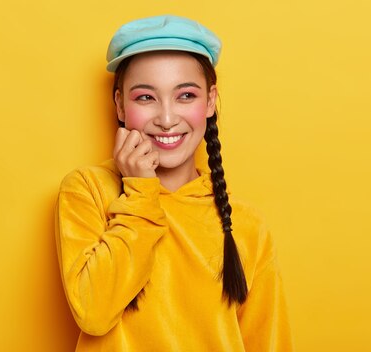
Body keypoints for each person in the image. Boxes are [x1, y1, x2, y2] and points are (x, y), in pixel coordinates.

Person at [55, 15, 292, 351]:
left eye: (185, 96)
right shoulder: (87, 190)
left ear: (210, 101)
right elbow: (93, 313)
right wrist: (140, 192)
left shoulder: (246, 225)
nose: (166, 120)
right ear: (120, 103)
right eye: (146, 98)